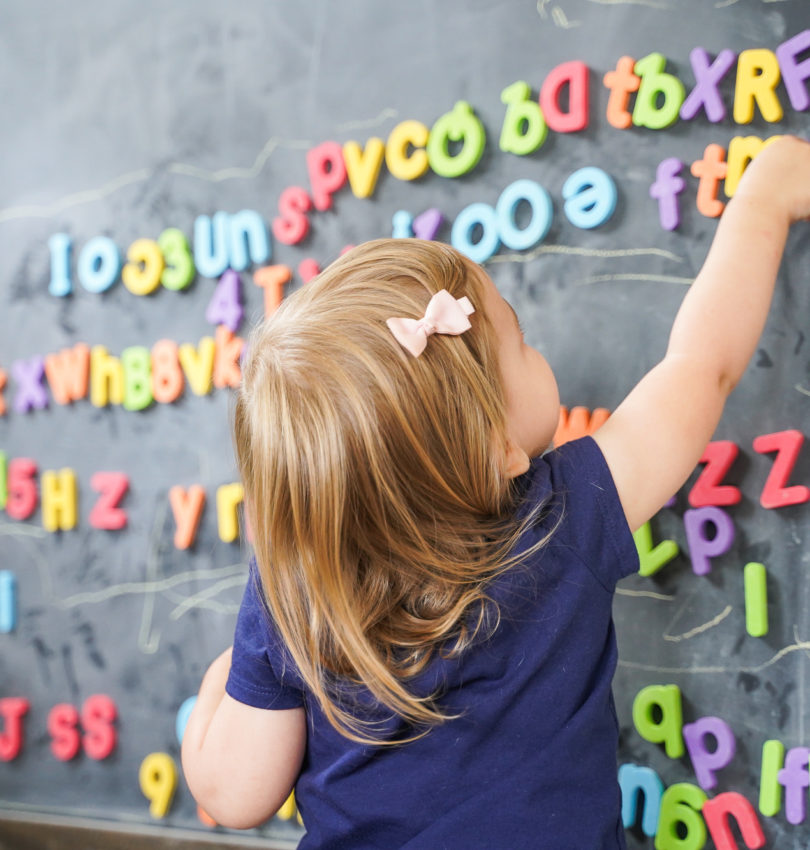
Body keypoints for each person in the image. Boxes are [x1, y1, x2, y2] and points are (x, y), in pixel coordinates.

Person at [182, 136, 810, 849]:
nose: (540, 352)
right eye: (522, 341)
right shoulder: (566, 518)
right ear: (498, 446)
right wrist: (764, 202)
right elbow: (703, 368)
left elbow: (235, 794)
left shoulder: (292, 592)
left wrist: (223, 679)